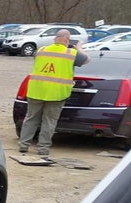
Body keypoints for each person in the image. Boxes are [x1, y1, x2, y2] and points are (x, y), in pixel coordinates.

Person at [18, 29, 89, 158]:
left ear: (55, 39)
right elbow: (86, 60)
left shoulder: (41, 50)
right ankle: (43, 149)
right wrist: (79, 47)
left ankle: (23, 145)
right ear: (67, 40)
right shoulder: (71, 53)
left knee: (31, 119)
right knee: (49, 121)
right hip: (56, 94)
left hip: (36, 91)